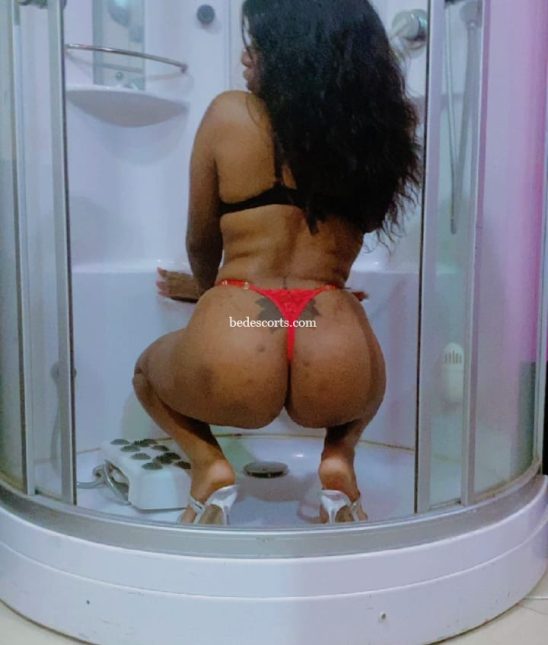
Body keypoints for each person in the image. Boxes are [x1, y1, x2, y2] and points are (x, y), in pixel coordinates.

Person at [133, 0, 421, 525]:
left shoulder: (229, 113)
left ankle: (208, 465)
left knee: (146, 374)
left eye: (260, 43)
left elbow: (201, 242)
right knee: (367, 388)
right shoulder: (372, 136)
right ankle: (339, 457)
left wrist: (211, 298)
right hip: (331, 338)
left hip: (240, 329)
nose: (247, 56)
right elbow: (342, 242)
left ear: (296, 53)